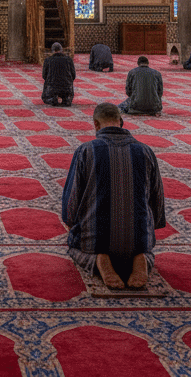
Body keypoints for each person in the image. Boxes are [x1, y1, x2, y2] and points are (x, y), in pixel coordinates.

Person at [62, 101, 166, 290]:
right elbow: (157, 201)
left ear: (96, 124)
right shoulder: (145, 151)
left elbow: (71, 203)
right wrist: (151, 229)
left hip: (95, 240)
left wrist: (72, 224)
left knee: (73, 247)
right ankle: (141, 258)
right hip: (138, 239)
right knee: (146, 248)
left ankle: (99, 259)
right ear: (121, 121)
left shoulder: (86, 151)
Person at [41, 41, 76, 106]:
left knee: (46, 85)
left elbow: (44, 76)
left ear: (52, 51)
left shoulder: (48, 60)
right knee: (69, 82)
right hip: (66, 88)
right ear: (61, 50)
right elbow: (73, 75)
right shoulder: (68, 59)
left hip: (52, 88)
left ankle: (52, 99)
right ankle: (66, 99)